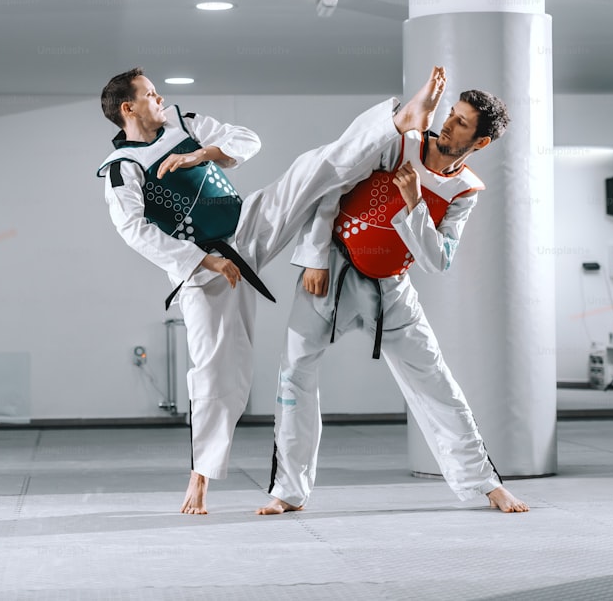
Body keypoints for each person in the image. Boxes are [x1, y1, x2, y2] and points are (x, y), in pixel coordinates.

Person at [98, 65, 449, 514]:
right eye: (150, 94)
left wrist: (199, 154)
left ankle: (398, 122)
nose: (159, 98)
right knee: (218, 371)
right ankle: (199, 477)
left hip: (246, 226)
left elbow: (247, 140)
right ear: (128, 108)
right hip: (206, 271)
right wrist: (204, 259)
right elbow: (135, 231)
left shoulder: (183, 121)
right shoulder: (120, 168)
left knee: (312, 169)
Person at [257, 88, 529, 516]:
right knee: (294, 376)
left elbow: (437, 260)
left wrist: (415, 204)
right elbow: (332, 187)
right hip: (333, 271)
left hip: (392, 289)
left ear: (481, 143)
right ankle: (288, 491)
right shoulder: (401, 141)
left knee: (438, 383)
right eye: (451, 114)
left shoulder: (464, 190)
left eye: (461, 123)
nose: (448, 124)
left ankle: (484, 482)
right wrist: (313, 258)